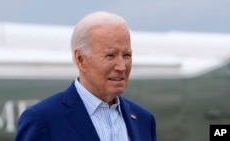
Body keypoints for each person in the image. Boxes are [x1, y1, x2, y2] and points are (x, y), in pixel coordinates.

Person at [15, 11, 156, 141]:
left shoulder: (144, 120)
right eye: (110, 55)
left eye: (127, 55)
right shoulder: (43, 120)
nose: (122, 66)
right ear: (81, 59)